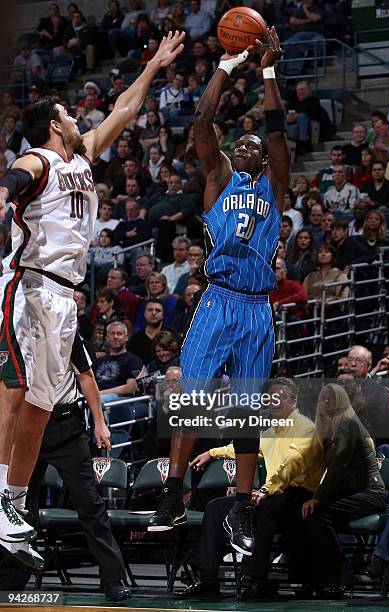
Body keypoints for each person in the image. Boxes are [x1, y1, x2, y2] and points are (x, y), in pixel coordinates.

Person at [0, 30, 185, 551]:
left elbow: (125, 110)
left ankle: (12, 502)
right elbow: (15, 176)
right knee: (14, 390)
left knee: (41, 404)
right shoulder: (41, 159)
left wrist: (153, 67)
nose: (81, 118)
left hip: (65, 297)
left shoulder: (81, 160)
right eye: (70, 114)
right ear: (56, 125)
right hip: (29, 285)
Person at [148, 28, 291, 559]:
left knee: (249, 410)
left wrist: (269, 72)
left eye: (254, 144)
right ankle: (173, 491)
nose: (248, 143)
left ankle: (241, 507)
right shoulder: (217, 179)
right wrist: (227, 65)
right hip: (217, 297)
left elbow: (278, 133)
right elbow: (204, 122)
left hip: (256, 308)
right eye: (241, 142)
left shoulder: (275, 186)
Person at [0, 333, 130, 602]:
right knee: (17, 507)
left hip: (64, 426)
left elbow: (86, 377)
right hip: (25, 429)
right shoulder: (12, 334)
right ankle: (11, 579)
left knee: (89, 503)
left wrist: (99, 422)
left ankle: (113, 579)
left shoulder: (66, 332)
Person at [175, 378, 324, 600]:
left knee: (258, 509)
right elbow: (240, 448)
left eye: (281, 396)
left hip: (297, 495)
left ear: (294, 401)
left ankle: (255, 580)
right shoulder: (270, 431)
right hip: (271, 493)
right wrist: (211, 453)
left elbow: (293, 463)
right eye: (271, 397)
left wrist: (265, 490)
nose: (275, 402)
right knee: (216, 507)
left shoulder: (305, 428)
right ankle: (206, 577)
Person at [288, 384, 386, 598]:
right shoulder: (325, 431)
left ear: (341, 402)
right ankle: (314, 579)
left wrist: (316, 498)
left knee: (318, 515)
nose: (325, 403)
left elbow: (339, 467)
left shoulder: (348, 425)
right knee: (299, 511)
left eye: (331, 399)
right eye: (322, 398)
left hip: (371, 493)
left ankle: (340, 575)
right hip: (348, 493)